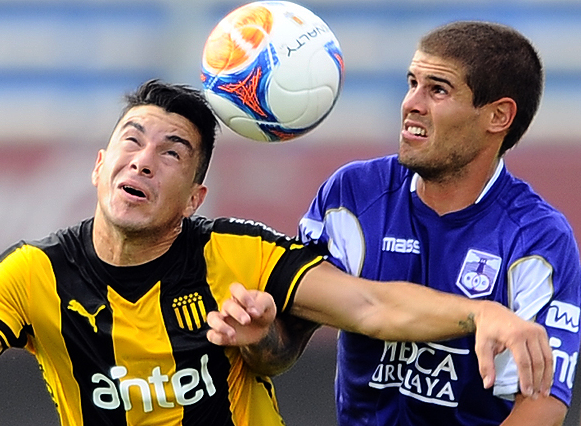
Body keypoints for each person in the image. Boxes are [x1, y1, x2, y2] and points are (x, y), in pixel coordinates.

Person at [0, 78, 552, 426]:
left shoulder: (239, 253)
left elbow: (369, 304)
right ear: (100, 166)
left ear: (194, 199)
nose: (143, 161)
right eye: (132, 142)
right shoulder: (32, 274)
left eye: (172, 153)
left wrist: (481, 313)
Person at [208, 21, 581, 426]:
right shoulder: (351, 196)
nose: (411, 104)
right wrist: (261, 336)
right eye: (412, 83)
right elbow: (282, 349)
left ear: (498, 116)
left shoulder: (538, 238)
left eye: (438, 90)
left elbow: (543, 405)